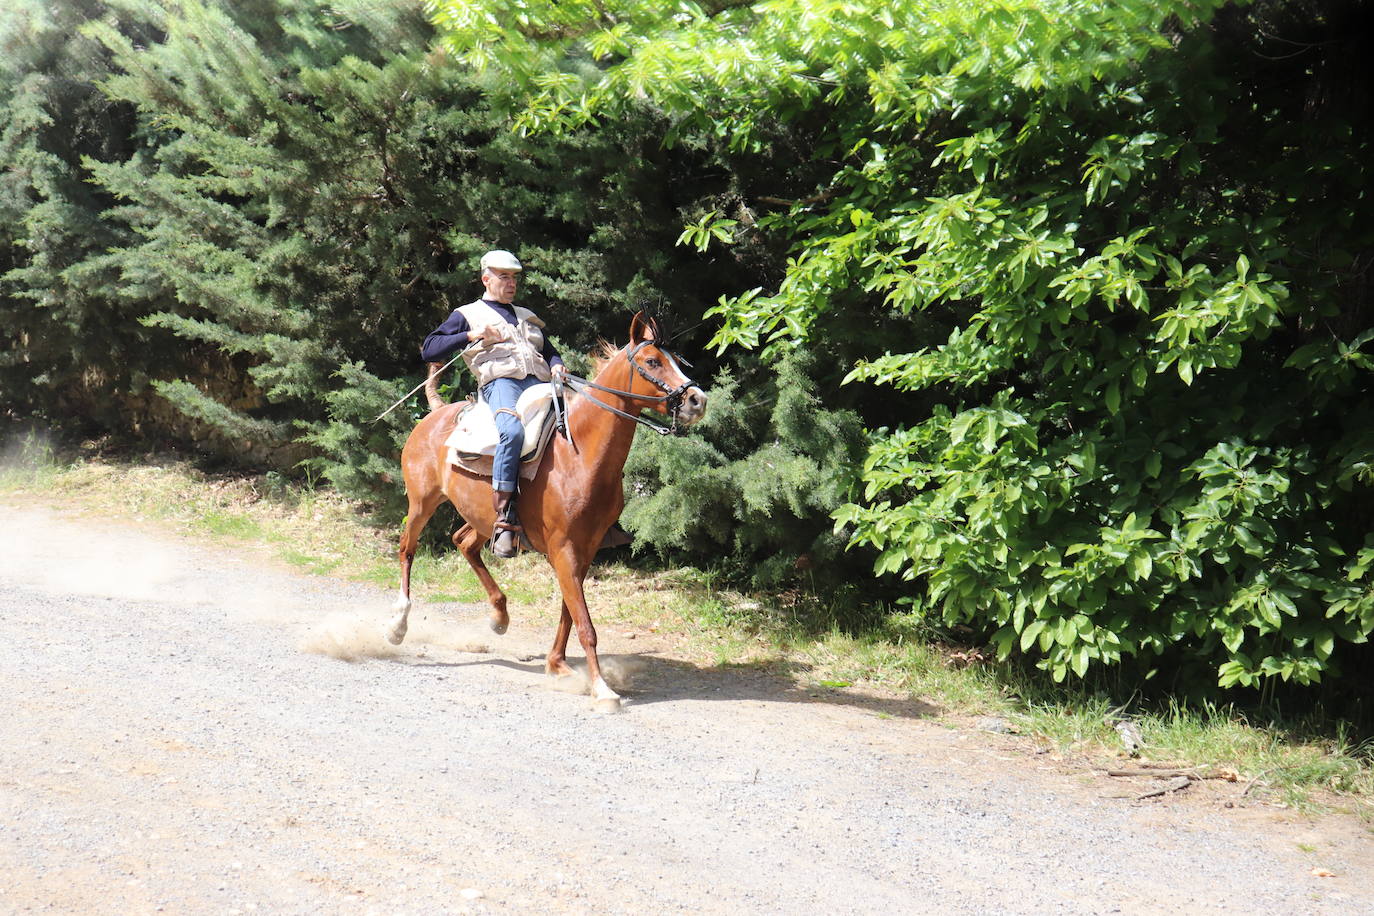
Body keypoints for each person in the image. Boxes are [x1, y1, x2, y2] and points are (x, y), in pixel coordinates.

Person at [420, 250, 567, 558]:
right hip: (501, 385)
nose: (511, 283)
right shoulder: (468, 313)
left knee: (581, 425)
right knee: (511, 433)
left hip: (541, 384)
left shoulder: (526, 315)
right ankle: (504, 519)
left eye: (513, 277)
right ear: (486, 279)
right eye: (504, 277)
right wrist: (471, 334)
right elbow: (429, 347)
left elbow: (550, 350)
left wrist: (556, 364)